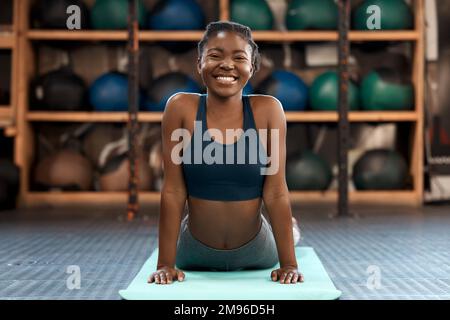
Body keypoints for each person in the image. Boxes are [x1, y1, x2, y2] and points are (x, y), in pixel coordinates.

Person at [148, 21, 303, 285]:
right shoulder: (180, 108)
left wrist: (289, 264)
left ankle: (293, 229)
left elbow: (275, 191)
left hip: (257, 250)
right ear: (199, 63)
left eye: (239, 58)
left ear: (252, 67)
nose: (227, 65)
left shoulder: (268, 111)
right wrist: (165, 264)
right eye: (215, 56)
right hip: (193, 251)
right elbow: (173, 190)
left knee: (288, 229)